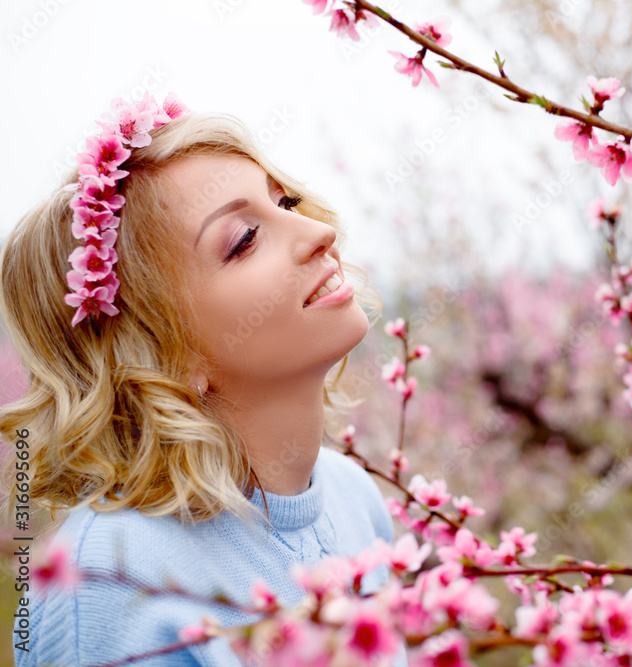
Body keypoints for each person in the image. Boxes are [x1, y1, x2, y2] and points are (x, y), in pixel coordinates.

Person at [0, 93, 405, 666]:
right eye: (243, 239)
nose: (317, 231)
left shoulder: (354, 499)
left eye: (284, 201)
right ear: (162, 352)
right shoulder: (111, 579)